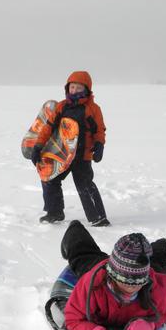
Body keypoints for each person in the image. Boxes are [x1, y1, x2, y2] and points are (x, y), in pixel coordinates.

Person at [60, 220, 166, 330]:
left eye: (137, 283)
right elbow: (73, 319)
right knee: (81, 254)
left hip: (141, 267)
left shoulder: (157, 287)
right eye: (125, 283)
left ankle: (163, 245)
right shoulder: (92, 285)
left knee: (158, 260)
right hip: (100, 267)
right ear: (113, 275)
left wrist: (151, 325)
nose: (131, 288)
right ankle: (75, 227)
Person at [31, 71, 110, 226]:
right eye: (72, 87)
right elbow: (48, 127)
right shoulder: (61, 106)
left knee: (85, 185)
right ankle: (54, 212)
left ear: (86, 90)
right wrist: (38, 146)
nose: (74, 91)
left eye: (78, 88)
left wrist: (99, 145)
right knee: (50, 179)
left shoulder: (92, 109)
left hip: (82, 156)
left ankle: (98, 217)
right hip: (62, 154)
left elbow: (99, 130)